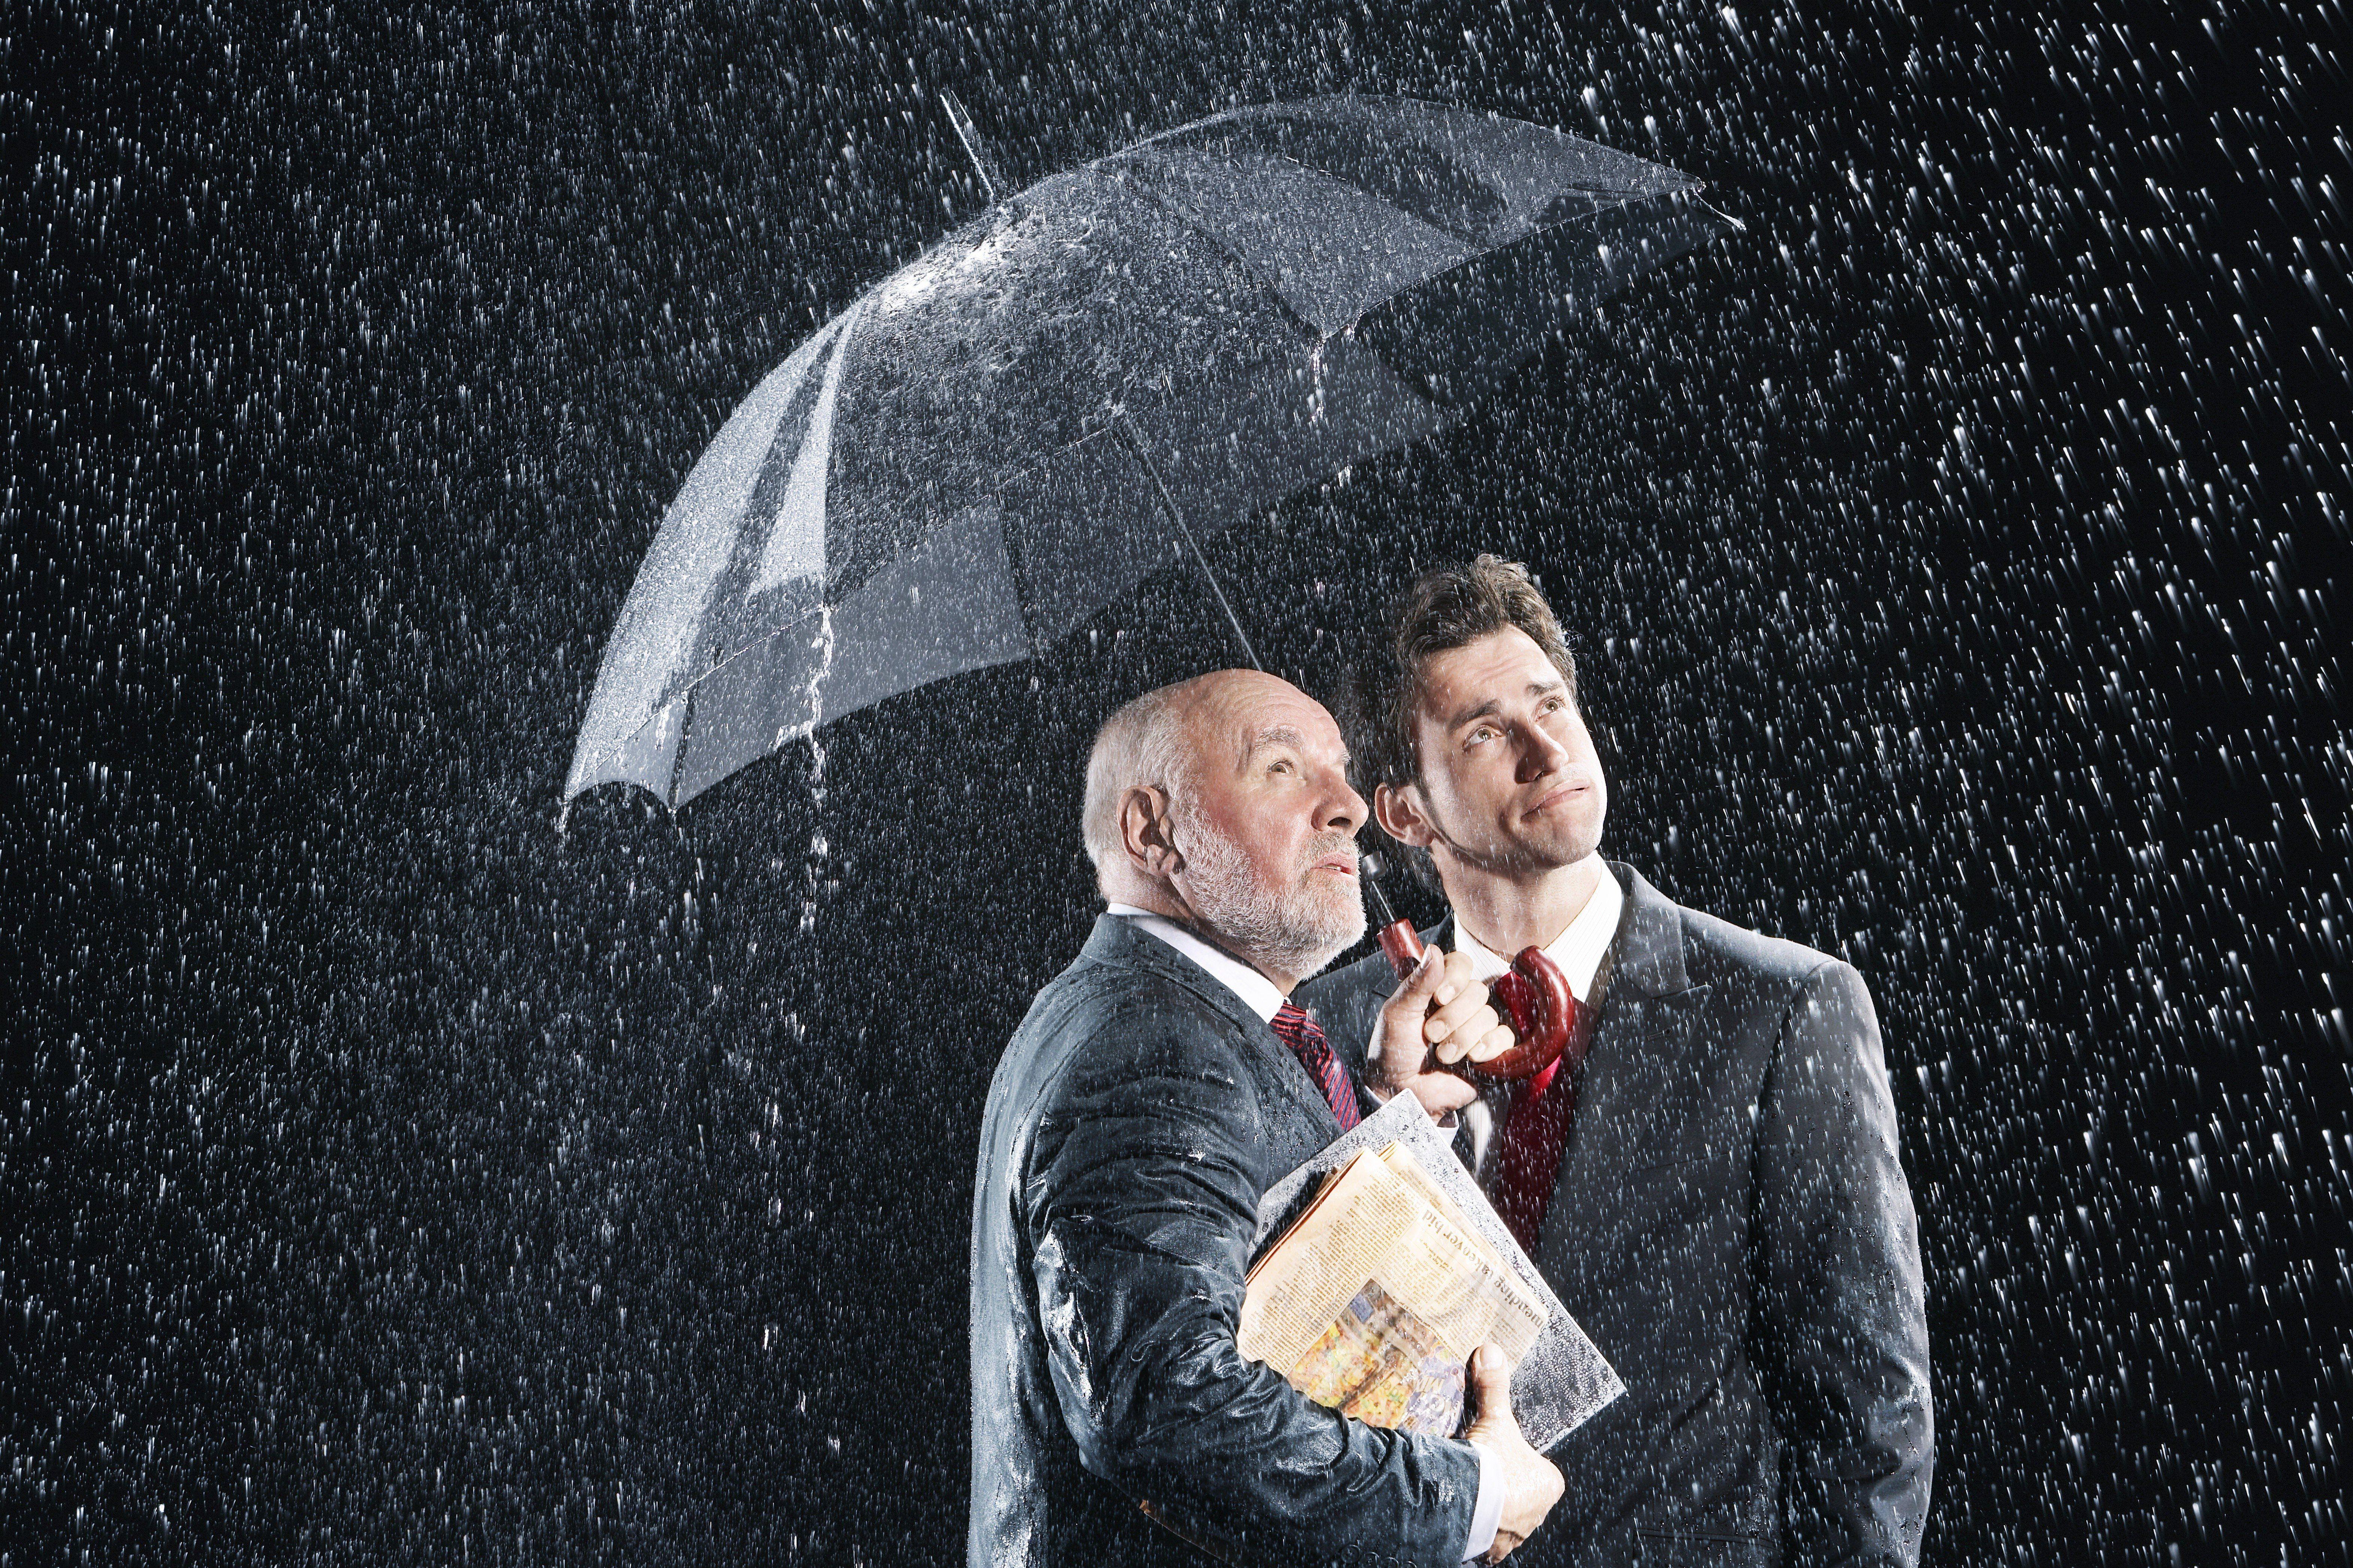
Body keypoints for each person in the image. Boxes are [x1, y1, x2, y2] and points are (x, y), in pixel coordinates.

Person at [1297, 558, 1933, 1567]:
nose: (1547, 749)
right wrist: (1387, 1116)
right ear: (1405, 813)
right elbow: (1296, 1389)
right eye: (1484, 733)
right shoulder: (1329, 1035)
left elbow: (1873, 1415)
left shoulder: (1781, 1009)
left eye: (1550, 704)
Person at [970, 669, 1567, 1567]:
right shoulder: (1150, 1045)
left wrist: (1381, 1115)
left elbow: (1249, 1265)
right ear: (1152, 832)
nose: (1349, 808)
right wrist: (1465, 1495)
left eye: (1338, 768)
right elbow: (1167, 1408)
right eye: (1282, 769)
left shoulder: (1159, 1013)